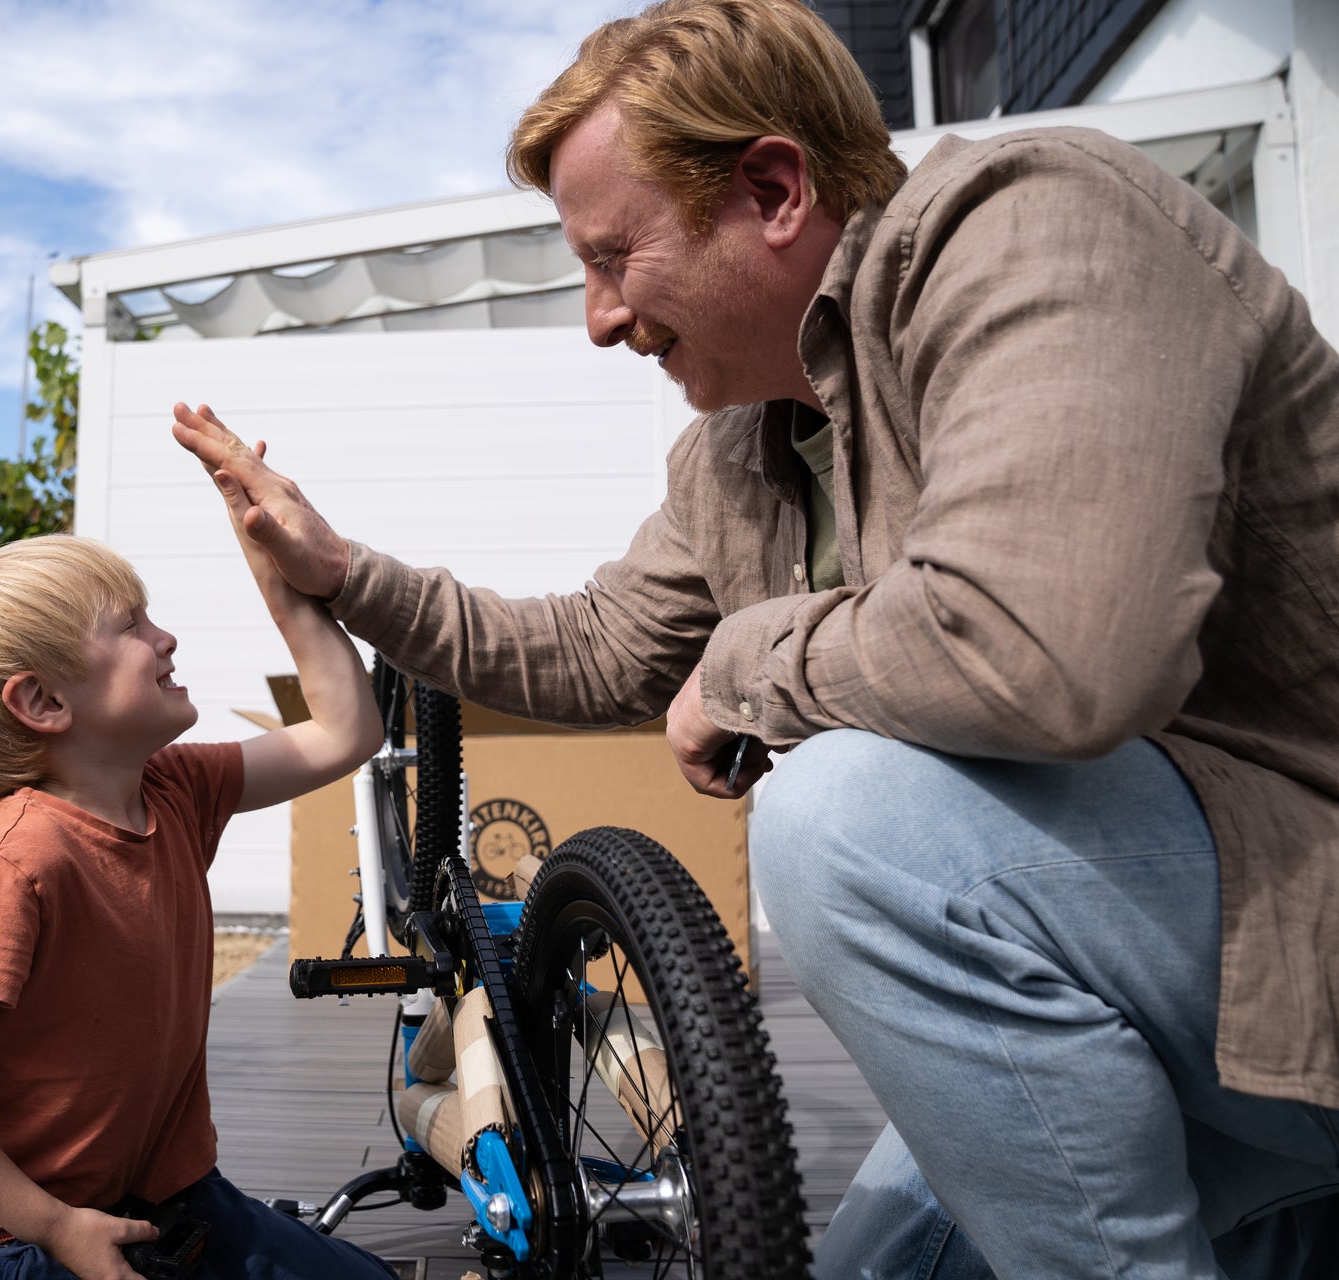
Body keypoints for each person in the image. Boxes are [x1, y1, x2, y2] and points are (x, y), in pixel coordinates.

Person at [171, 0, 1339, 1275]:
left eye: (614, 255)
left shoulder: (1037, 229)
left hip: (1297, 925)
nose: (598, 318)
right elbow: (596, 646)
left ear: (774, 188)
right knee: (876, 1263)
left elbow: (1047, 647)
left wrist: (744, 666)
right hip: (1156, 984)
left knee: (846, 818)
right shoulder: (744, 450)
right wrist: (341, 572)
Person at [0, 516, 394, 1280]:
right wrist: (51, 1224)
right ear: (43, 701)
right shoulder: (20, 864)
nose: (165, 637)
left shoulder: (175, 789)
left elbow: (346, 731)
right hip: (15, 1244)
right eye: (131, 625)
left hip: (168, 1200)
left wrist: (279, 570)